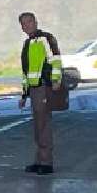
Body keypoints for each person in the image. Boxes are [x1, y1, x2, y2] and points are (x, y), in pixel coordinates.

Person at [17, 12, 62, 175]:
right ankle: (39, 160)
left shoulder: (46, 38)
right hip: (34, 89)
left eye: (29, 21)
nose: (27, 25)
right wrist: (24, 95)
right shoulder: (27, 44)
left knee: (43, 124)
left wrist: (56, 79)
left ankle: (46, 162)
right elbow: (26, 72)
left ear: (35, 22)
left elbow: (55, 59)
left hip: (45, 86)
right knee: (38, 126)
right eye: (23, 23)